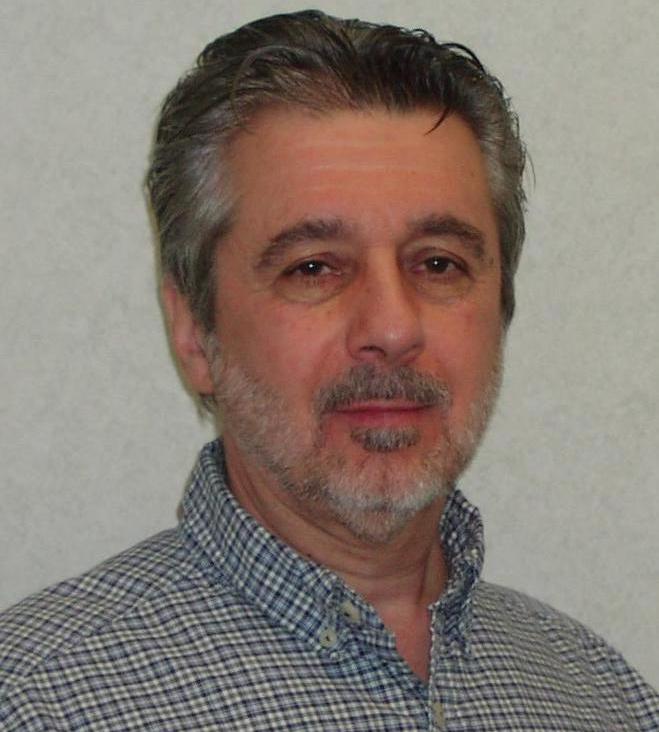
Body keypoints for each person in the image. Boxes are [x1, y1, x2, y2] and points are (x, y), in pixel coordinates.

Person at [0, 9, 657, 731]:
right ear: (193, 331)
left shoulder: (606, 700)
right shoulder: (36, 704)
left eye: (439, 263)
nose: (392, 329)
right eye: (313, 268)